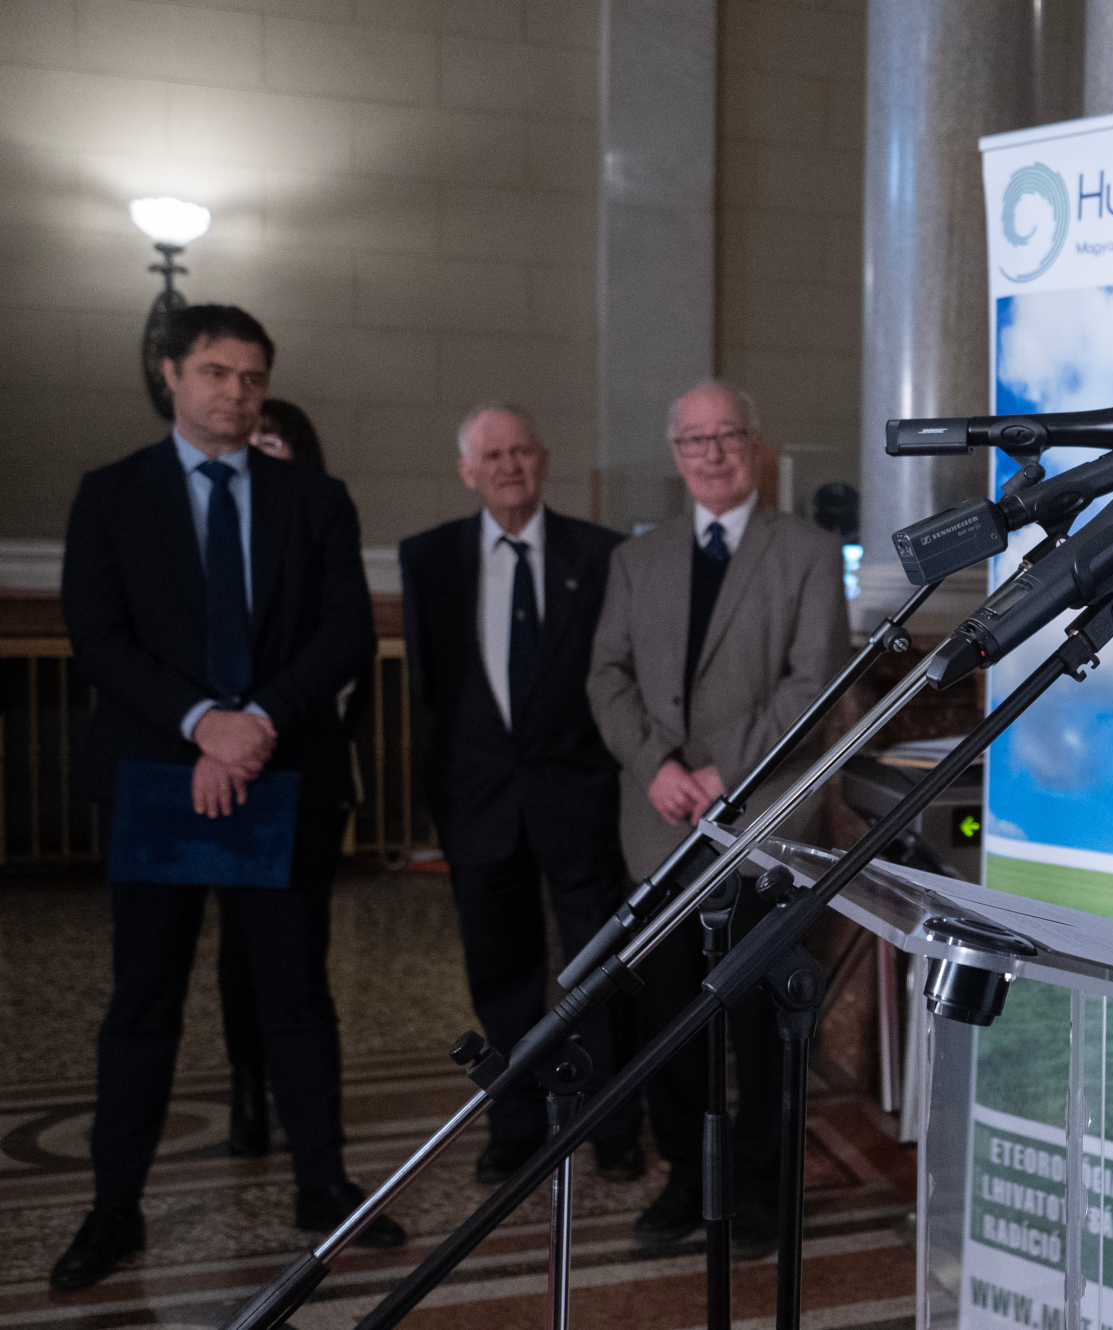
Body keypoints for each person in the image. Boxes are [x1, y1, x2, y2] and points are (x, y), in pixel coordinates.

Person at [54, 304, 405, 1292]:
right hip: (158, 775)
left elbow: (344, 631)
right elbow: (98, 635)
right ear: (170, 374)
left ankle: (323, 1186)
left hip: (280, 771)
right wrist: (204, 722)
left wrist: (254, 724)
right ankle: (115, 1207)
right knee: (143, 1001)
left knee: (296, 994)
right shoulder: (111, 494)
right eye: (215, 372)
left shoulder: (314, 498)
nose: (236, 393)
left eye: (252, 378)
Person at [588, 379, 848, 1257]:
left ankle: (764, 1189)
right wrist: (658, 767)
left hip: (764, 827)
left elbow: (814, 689)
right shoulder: (639, 559)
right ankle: (686, 1182)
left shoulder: (808, 551)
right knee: (668, 1022)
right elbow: (606, 676)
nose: (711, 452)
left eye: (727, 434)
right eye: (693, 440)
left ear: (756, 445)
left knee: (763, 1026)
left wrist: (718, 774)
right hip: (660, 822)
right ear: (675, 455)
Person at [399, 403, 643, 1185]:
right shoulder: (428, 558)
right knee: (500, 976)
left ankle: (611, 1123)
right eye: (491, 456)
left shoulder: (601, 554)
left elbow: (619, 675)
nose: (508, 466)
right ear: (467, 472)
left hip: (580, 798)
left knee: (597, 969)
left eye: (520, 452)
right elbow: (429, 693)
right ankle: (515, 1121)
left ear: (543, 459)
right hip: (478, 805)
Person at [219, 396, 330, 1158]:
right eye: (254, 440)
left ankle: (308, 1119)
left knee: (298, 953)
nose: (262, 450)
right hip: (224, 769)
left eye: (275, 441)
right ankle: (247, 1087)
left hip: (302, 766)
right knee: (238, 948)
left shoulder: (320, 524)